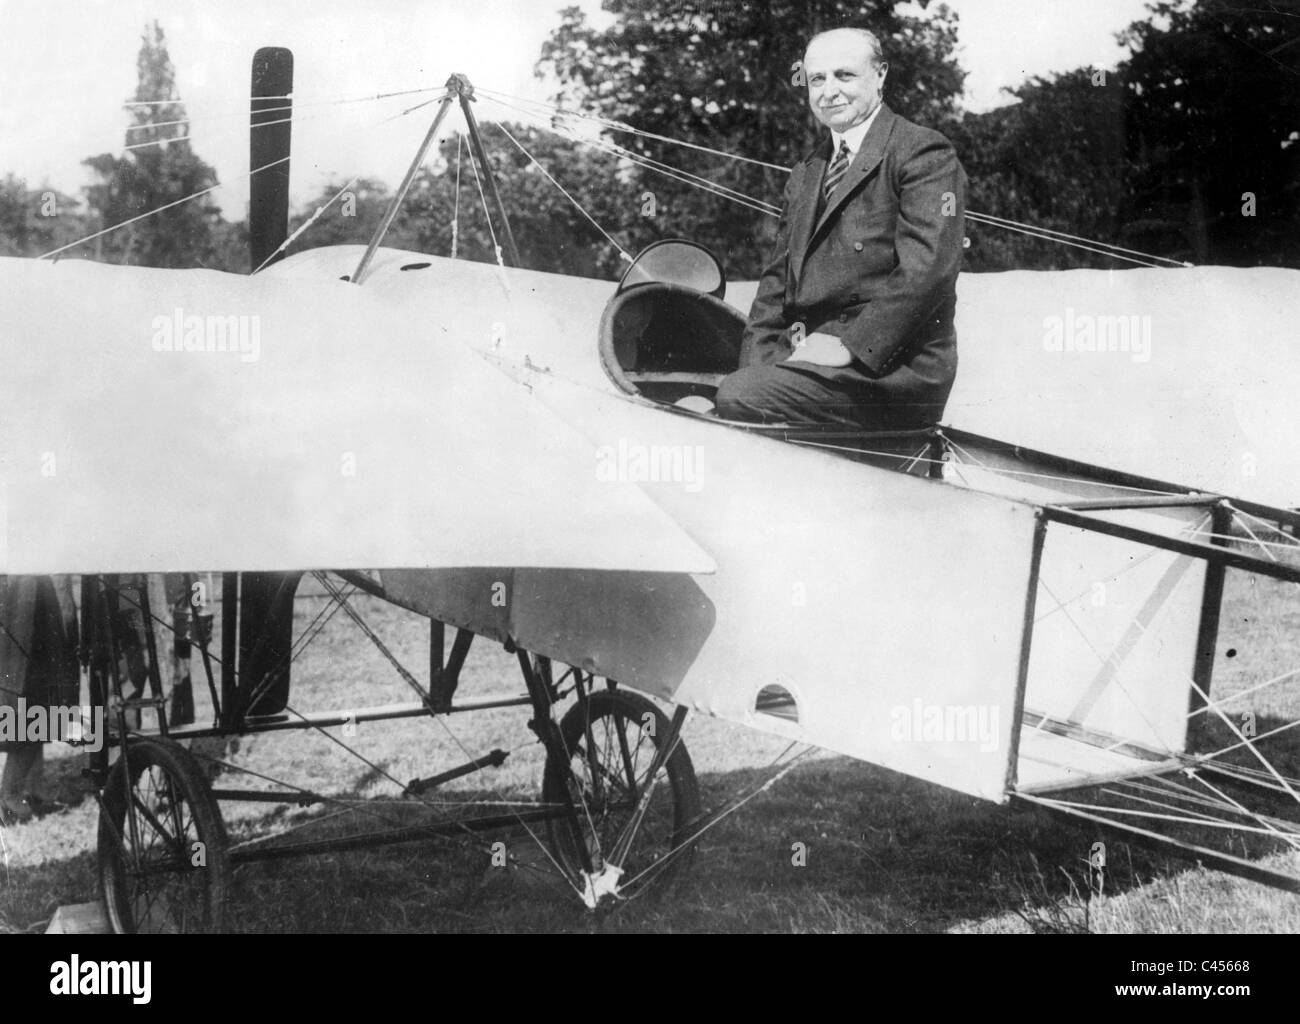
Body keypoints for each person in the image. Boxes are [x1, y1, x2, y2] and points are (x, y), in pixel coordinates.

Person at [715, 27, 967, 430]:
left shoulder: (922, 152)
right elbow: (775, 286)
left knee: (735, 395)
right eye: (817, 79)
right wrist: (755, 369)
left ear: (880, 74)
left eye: (844, 76)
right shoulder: (807, 172)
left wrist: (850, 346)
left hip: (890, 372)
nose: (828, 91)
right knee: (720, 384)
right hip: (812, 364)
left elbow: (929, 271)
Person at [0, 576, 79, 825]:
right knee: (29, 705)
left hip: (37, 602)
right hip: (22, 606)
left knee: (43, 702)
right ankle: (10, 796)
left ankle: (33, 789)